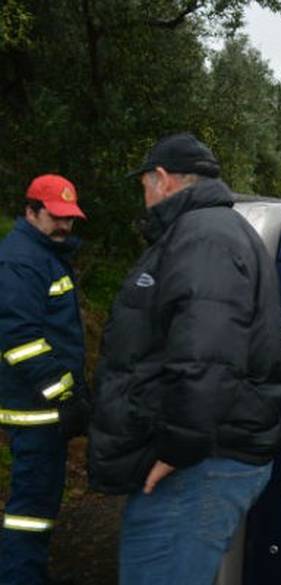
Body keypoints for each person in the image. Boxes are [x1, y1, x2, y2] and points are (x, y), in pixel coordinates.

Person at [88, 133, 281, 584]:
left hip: (199, 465)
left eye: (143, 184)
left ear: (161, 179)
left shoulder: (204, 237)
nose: (143, 196)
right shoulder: (208, 231)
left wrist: (178, 448)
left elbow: (208, 355)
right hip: (205, 459)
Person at [0, 174, 89, 585]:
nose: (65, 227)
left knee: (38, 508)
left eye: (70, 219)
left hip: (44, 409)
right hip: (35, 412)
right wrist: (64, 393)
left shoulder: (44, 253)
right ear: (31, 211)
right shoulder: (22, 260)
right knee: (30, 514)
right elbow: (19, 340)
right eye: (56, 218)